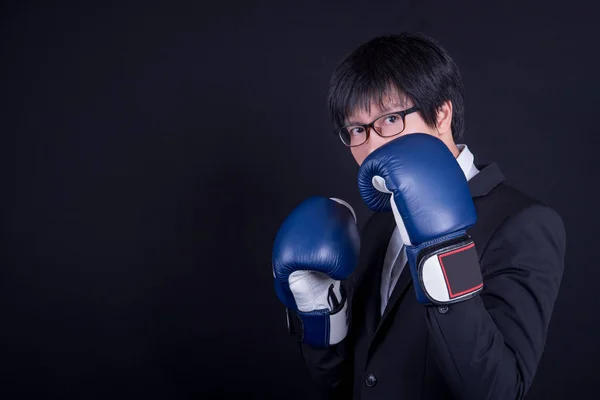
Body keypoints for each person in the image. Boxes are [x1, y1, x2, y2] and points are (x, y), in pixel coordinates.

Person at [272, 32, 566, 400]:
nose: (373, 145)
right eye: (357, 130)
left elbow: (499, 390)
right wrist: (322, 313)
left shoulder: (523, 223)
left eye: (391, 119)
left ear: (442, 113)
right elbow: (343, 383)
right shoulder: (380, 222)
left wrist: (443, 255)